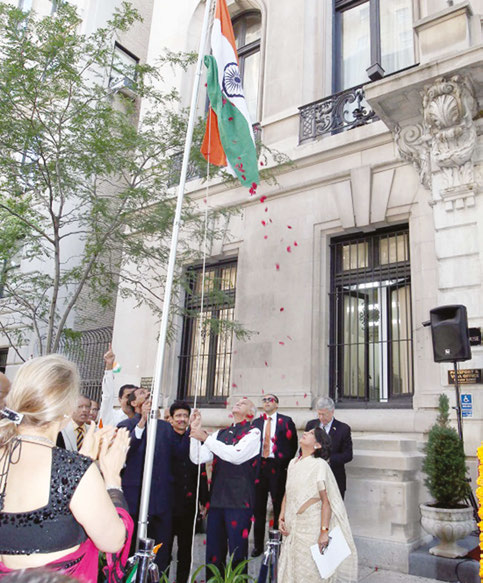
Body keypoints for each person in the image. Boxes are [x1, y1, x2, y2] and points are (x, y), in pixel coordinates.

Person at [0, 354, 133, 582]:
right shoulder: (72, 470)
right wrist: (112, 479)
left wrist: (81, 462)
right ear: (65, 411)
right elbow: (113, 541)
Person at [190, 398, 260, 575]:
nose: (238, 403)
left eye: (243, 403)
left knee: (237, 553)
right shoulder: (220, 434)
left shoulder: (254, 433)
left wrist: (205, 437)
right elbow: (198, 458)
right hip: (217, 500)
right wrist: (195, 432)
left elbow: (236, 455)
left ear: (251, 412)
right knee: (213, 554)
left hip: (239, 501)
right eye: (237, 402)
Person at [278, 428, 357, 583]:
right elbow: (288, 492)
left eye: (312, 434)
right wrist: (281, 517)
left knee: (310, 573)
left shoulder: (319, 465)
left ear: (318, 445)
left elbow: (326, 501)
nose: (306, 433)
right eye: (307, 432)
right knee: (290, 568)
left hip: (310, 528)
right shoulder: (293, 463)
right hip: (292, 526)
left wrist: (323, 532)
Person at [118, 394, 176, 575]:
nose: (149, 396)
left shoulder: (166, 428)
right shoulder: (125, 426)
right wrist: (142, 422)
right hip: (136, 500)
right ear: (134, 404)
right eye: (143, 394)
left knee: (161, 549)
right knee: (133, 547)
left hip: (161, 499)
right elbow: (124, 453)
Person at [251, 394, 298, 556]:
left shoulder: (286, 421)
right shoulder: (256, 423)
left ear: (277, 404)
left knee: (279, 507)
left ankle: (277, 543)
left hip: (277, 469)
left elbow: (293, 446)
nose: (266, 402)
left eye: (269, 399)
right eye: (263, 400)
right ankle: (257, 545)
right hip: (259, 468)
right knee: (258, 508)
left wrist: (283, 463)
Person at [167, 400, 209, 583]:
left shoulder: (194, 438)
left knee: (186, 551)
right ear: (171, 419)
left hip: (188, 504)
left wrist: (204, 500)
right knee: (164, 549)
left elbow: (201, 470)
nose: (182, 419)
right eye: (178, 416)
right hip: (167, 503)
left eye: (185, 415)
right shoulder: (164, 437)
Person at [305, 397, 353, 499]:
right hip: (313, 477)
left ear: (332, 412)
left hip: (334, 477)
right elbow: (304, 448)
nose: (321, 418)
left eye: (324, 414)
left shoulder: (343, 429)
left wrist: (328, 460)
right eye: (319, 414)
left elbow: (348, 455)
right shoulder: (311, 425)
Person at [98, 346, 137, 427]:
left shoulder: (142, 419)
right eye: (128, 396)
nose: (131, 400)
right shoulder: (111, 415)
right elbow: (107, 396)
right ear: (119, 399)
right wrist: (109, 366)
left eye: (134, 396)